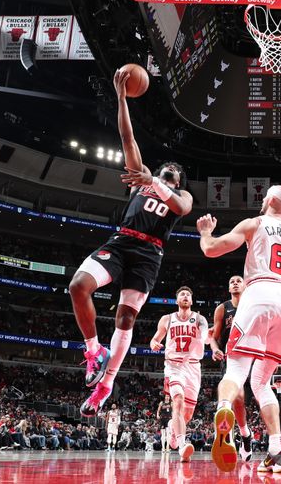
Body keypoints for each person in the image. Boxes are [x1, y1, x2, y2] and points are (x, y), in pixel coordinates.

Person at [70, 67, 193, 418]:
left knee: (125, 319)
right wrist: (122, 99)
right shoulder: (142, 179)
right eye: (164, 169)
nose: (168, 171)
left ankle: (106, 384)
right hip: (122, 241)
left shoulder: (178, 194)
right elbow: (127, 138)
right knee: (79, 285)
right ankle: (94, 350)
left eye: (173, 172)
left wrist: (155, 181)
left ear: (178, 179)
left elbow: (181, 206)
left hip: (149, 252)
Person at [196, 184, 281, 473]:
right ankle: (277, 449)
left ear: (268, 200)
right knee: (262, 383)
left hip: (260, 292)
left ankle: (224, 409)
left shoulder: (255, 223)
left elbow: (211, 250)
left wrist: (205, 232)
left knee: (236, 372)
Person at [150, 286, 217, 463]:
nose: (185, 296)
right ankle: (181, 445)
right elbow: (155, 339)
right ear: (177, 300)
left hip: (193, 368)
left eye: (188, 294)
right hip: (174, 366)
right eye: (182, 294)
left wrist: (206, 337)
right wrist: (153, 343)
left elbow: (204, 332)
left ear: (192, 300)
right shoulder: (167, 319)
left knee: (187, 415)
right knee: (177, 400)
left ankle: (174, 430)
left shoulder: (199, 318)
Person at [210, 275, 253, 462]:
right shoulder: (223, 308)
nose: (235, 283)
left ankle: (245, 433)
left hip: (252, 355)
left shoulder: (253, 305)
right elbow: (213, 336)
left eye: (238, 280)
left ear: (245, 285)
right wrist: (215, 349)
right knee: (237, 396)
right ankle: (237, 436)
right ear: (229, 288)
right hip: (232, 356)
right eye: (232, 281)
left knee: (243, 402)